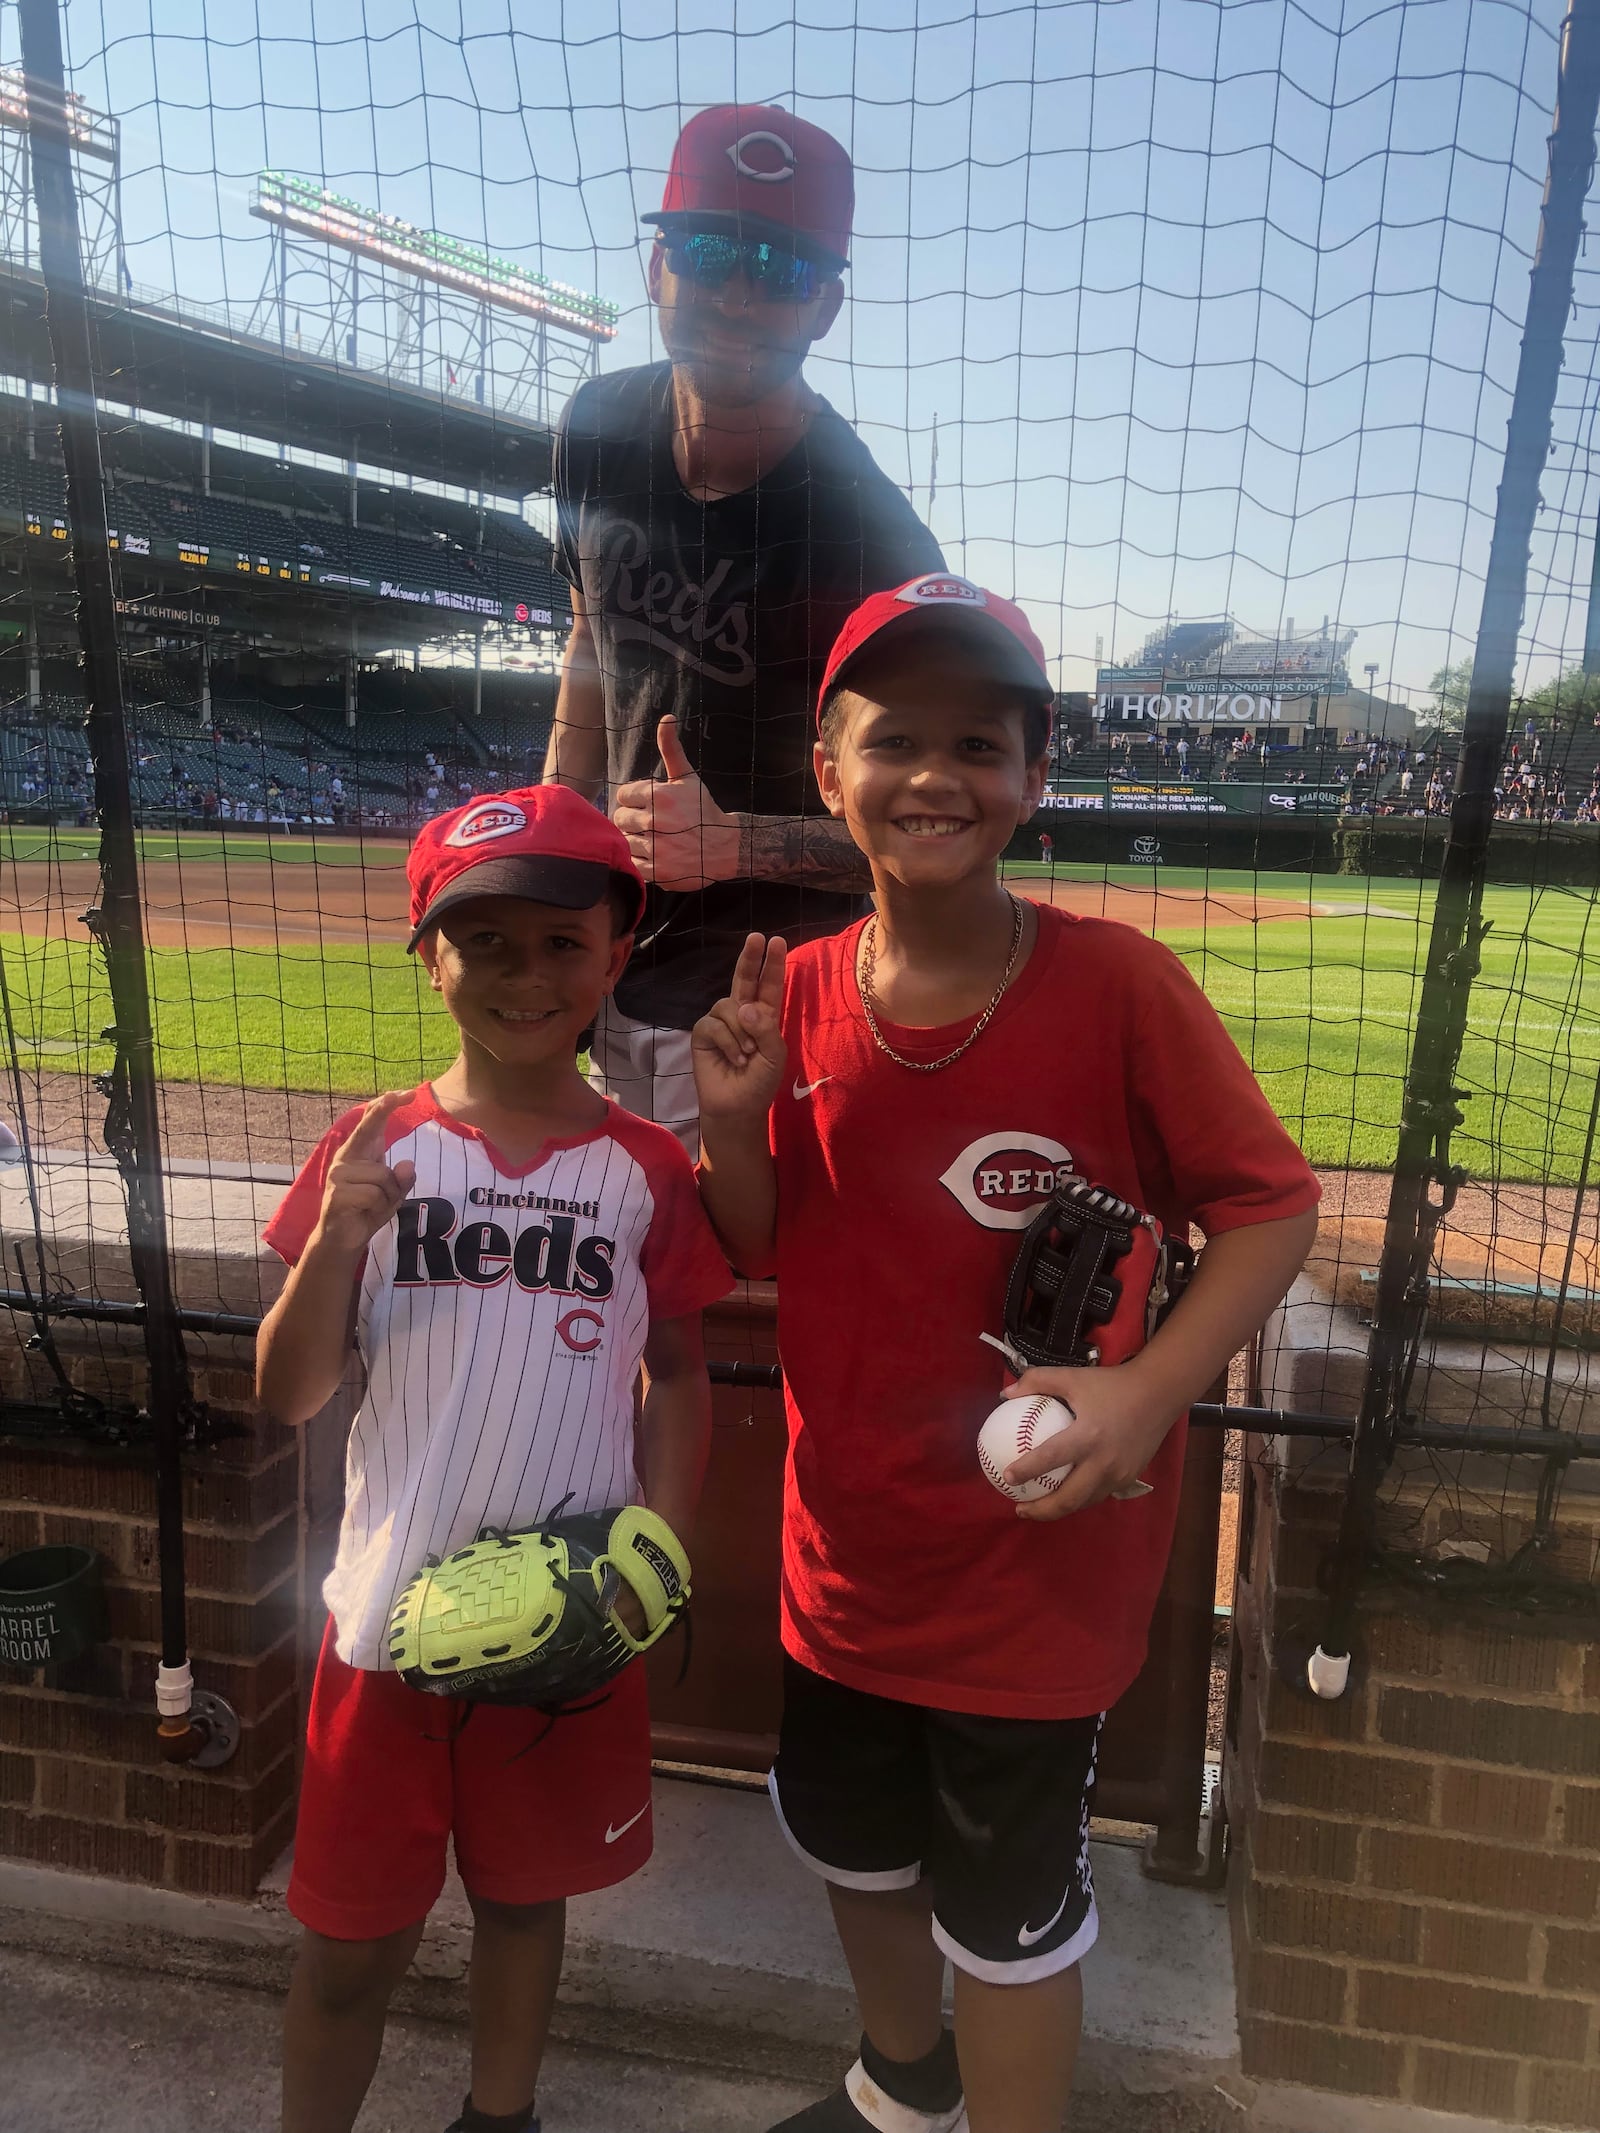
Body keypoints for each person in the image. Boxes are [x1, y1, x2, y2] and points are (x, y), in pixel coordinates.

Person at [691, 574, 1320, 2133]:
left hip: (1034, 1574)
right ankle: (905, 2085)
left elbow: (1269, 1207)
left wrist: (1147, 1387)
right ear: (827, 773)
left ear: (1033, 778)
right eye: (893, 737)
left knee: (1010, 1916)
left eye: (981, 742)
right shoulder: (808, 992)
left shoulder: (1116, 988)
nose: (936, 776)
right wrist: (730, 1114)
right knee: (855, 1846)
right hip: (849, 1547)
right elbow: (764, 1241)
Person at [256, 786, 731, 2133]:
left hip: (568, 1620)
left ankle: (500, 2116)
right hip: (382, 1633)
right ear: (429, 953)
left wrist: (664, 1548)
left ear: (614, 956)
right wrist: (343, 1238)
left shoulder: (645, 1168)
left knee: (527, 1907)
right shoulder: (376, 1151)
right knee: (349, 1947)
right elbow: (288, 1395)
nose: (527, 975)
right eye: (489, 942)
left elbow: (684, 1370)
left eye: (561, 944)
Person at [545, 102, 944, 1146]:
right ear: (655, 267)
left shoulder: (872, 545)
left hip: (774, 994)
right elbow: (590, 641)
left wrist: (735, 843)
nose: (735, 292)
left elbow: (922, 833)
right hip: (617, 940)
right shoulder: (596, 429)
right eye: (710, 249)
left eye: (780, 267)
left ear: (825, 308)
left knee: (701, 1276)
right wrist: (552, 846)